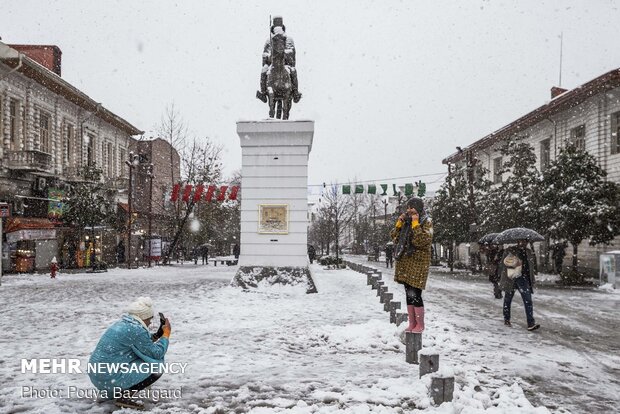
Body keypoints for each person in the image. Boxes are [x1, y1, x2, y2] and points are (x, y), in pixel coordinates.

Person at [88, 297, 171, 410]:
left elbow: (140, 343)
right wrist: (166, 335)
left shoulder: (125, 324)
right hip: (107, 376)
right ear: (143, 317)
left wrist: (157, 335)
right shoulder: (137, 330)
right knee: (157, 367)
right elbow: (156, 353)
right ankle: (124, 397)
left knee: (143, 359)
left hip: (98, 374)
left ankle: (116, 390)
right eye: (149, 319)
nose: (150, 322)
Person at [391, 197, 433, 333]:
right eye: (408, 207)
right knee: (408, 293)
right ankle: (412, 323)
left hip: (419, 262)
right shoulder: (406, 222)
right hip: (406, 262)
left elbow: (422, 241)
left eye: (412, 207)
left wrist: (415, 223)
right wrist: (399, 223)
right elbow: (395, 238)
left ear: (418, 208)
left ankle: (420, 324)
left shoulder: (426, 221)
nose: (409, 210)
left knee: (415, 293)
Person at [256, 16, 302, 103]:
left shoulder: (288, 40)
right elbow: (265, 54)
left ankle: (295, 93)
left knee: (293, 71)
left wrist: (285, 54)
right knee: (263, 71)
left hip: (285, 63)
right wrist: (269, 57)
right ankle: (263, 93)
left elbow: (292, 52)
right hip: (271, 64)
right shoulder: (269, 41)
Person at [499, 240, 540, 331]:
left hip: (524, 279)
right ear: (518, 241)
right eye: (522, 241)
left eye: (526, 241)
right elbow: (503, 263)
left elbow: (531, 267)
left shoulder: (529, 252)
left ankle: (530, 323)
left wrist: (532, 278)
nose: (524, 243)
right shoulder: (510, 250)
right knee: (508, 299)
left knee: (528, 300)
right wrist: (512, 260)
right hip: (512, 278)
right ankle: (506, 319)